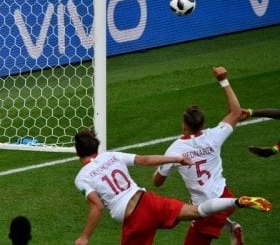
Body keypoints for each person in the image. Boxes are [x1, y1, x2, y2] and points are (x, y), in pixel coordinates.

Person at [73, 128, 271, 245]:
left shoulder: (82, 177)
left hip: (135, 219)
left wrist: (84, 238)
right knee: (197, 211)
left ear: (77, 152)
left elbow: (97, 206)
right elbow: (144, 159)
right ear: (96, 147)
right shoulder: (111, 156)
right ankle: (237, 201)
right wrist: (176, 159)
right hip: (150, 202)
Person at [152, 67, 246, 244]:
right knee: (193, 203)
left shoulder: (175, 149)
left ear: (184, 125)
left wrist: (158, 170)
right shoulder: (214, 136)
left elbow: (157, 182)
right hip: (225, 196)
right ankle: (231, 226)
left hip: (207, 210)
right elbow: (236, 112)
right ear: (202, 124)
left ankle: (229, 226)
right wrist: (223, 80)